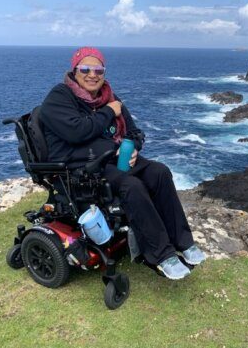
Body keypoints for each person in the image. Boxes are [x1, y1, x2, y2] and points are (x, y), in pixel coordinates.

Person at [39, 46, 205, 280]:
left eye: (99, 69)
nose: (92, 75)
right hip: (81, 168)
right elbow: (77, 132)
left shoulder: (109, 97)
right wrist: (108, 112)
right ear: (74, 71)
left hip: (114, 159)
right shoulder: (60, 97)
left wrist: (134, 147)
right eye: (85, 69)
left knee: (160, 172)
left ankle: (183, 241)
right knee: (131, 186)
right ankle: (160, 254)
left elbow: (135, 131)